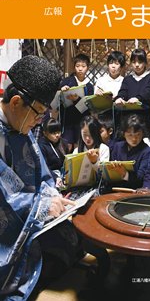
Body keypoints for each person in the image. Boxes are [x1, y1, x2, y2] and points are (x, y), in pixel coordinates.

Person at [0, 55, 81, 300]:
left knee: (72, 243)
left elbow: (42, 176)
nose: (40, 121)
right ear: (16, 102)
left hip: (29, 222)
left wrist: (53, 197)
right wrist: (42, 207)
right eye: (39, 113)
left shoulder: (22, 126)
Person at [51, 53, 94, 151]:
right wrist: (62, 90)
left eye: (83, 66)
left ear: (87, 68)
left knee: (78, 145)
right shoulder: (67, 81)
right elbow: (57, 97)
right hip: (68, 119)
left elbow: (88, 105)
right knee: (67, 145)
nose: (80, 69)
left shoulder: (89, 86)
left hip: (81, 118)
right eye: (77, 66)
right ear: (74, 67)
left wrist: (77, 99)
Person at [114, 48, 150, 130]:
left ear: (145, 63)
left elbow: (148, 93)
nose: (137, 65)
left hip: (144, 118)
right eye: (134, 62)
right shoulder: (127, 79)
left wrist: (137, 98)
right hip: (128, 119)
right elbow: (123, 91)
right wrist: (120, 98)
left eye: (140, 62)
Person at [110, 114, 150, 189]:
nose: (134, 139)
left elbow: (141, 178)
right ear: (123, 134)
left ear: (143, 133)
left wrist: (125, 174)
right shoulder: (117, 147)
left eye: (137, 134)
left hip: (135, 189)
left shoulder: (147, 151)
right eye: (130, 135)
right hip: (115, 187)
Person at [38, 117, 69, 188]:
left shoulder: (63, 142)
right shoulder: (41, 146)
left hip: (64, 175)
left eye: (58, 132)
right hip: (50, 177)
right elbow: (44, 167)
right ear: (45, 133)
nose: (57, 135)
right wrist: (55, 177)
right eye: (53, 133)